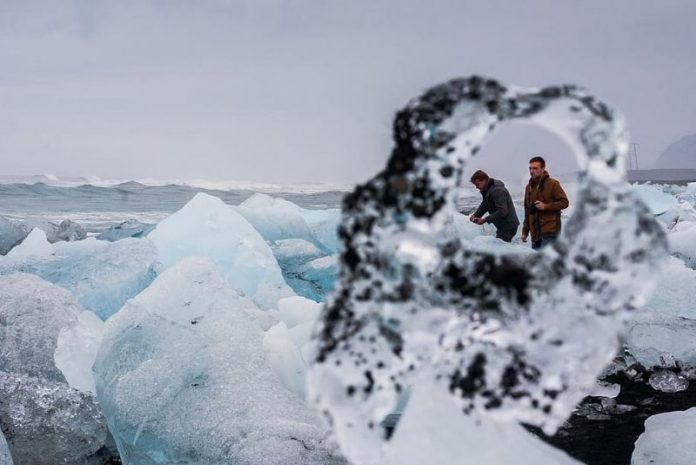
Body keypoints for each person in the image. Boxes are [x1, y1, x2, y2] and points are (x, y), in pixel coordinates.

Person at [521, 156, 569, 250]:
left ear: (543, 169)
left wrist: (545, 206)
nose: (531, 171)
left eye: (535, 168)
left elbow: (564, 202)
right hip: (535, 236)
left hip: (550, 233)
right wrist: (525, 232)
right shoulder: (529, 188)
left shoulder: (552, 184)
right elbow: (527, 211)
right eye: (530, 168)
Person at [468, 170, 520, 242]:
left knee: (501, 249)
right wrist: (476, 215)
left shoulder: (497, 190)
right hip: (503, 226)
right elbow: (485, 204)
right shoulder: (487, 190)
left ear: (484, 180)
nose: (476, 187)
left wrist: (485, 220)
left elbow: (503, 211)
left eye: (477, 184)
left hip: (508, 226)